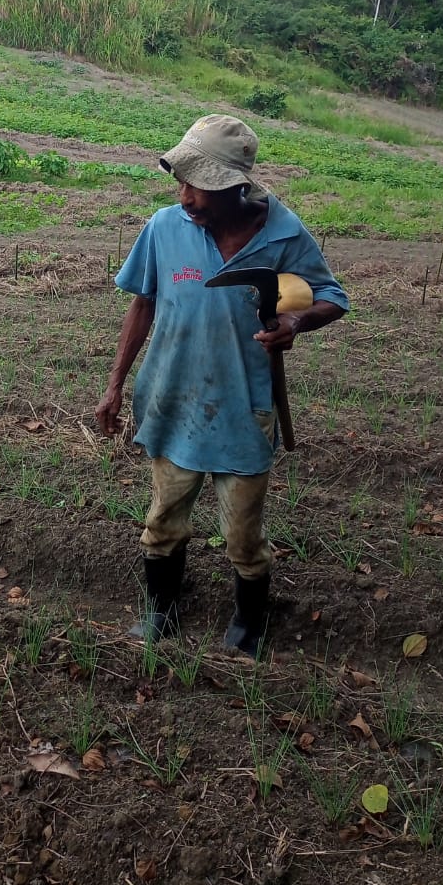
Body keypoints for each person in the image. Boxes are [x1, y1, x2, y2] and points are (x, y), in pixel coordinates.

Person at [95, 114, 349, 657]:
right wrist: (116, 384)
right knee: (163, 521)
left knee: (243, 538)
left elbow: (332, 295)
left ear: (236, 186)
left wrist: (296, 323)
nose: (186, 196)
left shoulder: (283, 233)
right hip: (171, 400)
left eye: (199, 184)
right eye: (181, 181)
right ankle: (161, 611)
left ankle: (249, 623)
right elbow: (142, 303)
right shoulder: (165, 227)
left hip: (244, 408)